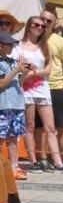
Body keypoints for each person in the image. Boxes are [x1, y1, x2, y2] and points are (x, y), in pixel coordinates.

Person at [14, 16, 63, 172]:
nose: (39, 28)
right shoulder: (18, 46)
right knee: (30, 126)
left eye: (42, 26)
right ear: (29, 26)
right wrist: (29, 73)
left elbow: (48, 69)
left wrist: (34, 72)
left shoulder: (44, 46)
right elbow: (19, 68)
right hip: (26, 89)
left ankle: (58, 162)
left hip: (43, 88)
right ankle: (34, 160)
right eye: (36, 25)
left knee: (50, 126)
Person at [39, 10, 63, 171]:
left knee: (61, 125)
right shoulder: (32, 40)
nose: (45, 23)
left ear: (54, 24)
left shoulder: (60, 41)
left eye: (49, 21)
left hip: (56, 87)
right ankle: (42, 158)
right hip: (37, 88)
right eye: (42, 19)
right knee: (38, 127)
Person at [0, 27, 28, 181]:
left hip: (17, 104)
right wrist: (16, 69)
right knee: (1, 137)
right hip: (3, 105)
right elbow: (2, 83)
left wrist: (23, 72)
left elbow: (19, 83)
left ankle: (13, 167)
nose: (11, 47)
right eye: (8, 44)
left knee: (14, 137)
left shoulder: (11, 62)